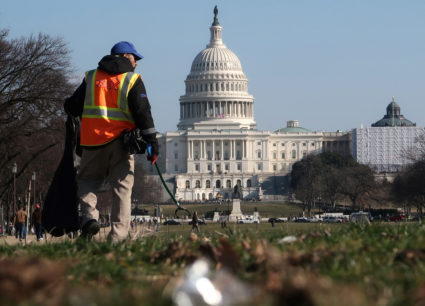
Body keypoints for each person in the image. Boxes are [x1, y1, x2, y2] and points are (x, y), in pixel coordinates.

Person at [64, 41, 159, 242]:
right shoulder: (132, 80)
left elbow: (73, 106)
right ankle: (117, 237)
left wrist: (68, 104)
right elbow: (143, 113)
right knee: (122, 189)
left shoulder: (91, 77)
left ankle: (89, 217)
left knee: (87, 181)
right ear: (126, 57)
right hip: (120, 144)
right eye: (135, 58)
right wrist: (152, 142)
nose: (137, 63)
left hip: (92, 142)